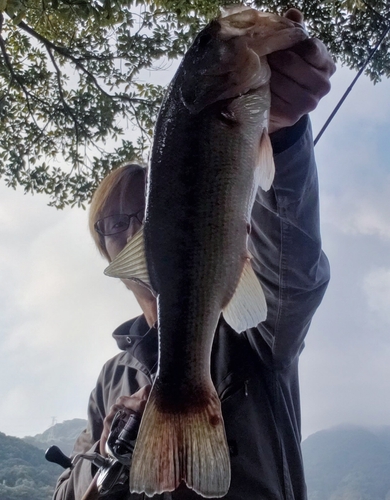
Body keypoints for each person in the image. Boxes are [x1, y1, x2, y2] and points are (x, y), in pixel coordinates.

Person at [53, 8, 335, 500]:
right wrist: (112, 446)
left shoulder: (254, 333)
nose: (132, 227)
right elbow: (64, 493)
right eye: (114, 223)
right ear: (109, 249)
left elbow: (296, 276)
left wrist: (285, 135)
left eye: (144, 211)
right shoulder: (112, 379)